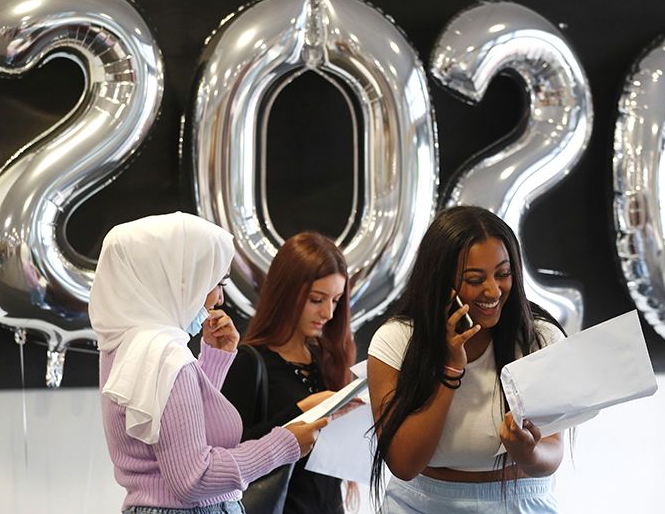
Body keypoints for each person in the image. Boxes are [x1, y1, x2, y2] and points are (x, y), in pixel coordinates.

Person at [90, 212, 328, 514]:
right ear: (178, 278)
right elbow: (195, 479)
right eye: (215, 281)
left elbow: (176, 431)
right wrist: (285, 444)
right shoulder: (163, 354)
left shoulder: (128, 343)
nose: (219, 299)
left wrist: (213, 362)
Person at [367, 206, 566, 513]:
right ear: (439, 282)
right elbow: (404, 464)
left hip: (519, 500)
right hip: (421, 502)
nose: (493, 290)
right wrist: (449, 369)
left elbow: (552, 452)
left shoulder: (539, 338)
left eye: (503, 274)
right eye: (474, 279)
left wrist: (527, 453)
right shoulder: (396, 340)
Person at [221, 232, 358, 514]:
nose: (329, 313)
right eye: (317, 299)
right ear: (286, 293)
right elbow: (229, 454)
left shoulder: (328, 360)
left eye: (335, 300)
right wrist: (301, 411)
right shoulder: (249, 362)